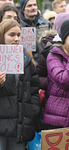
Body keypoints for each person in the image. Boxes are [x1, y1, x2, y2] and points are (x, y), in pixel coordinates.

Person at [0, 19, 40, 150]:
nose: (16, 38)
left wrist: (32, 111)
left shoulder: (26, 59)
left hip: (19, 126)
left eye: (19, 35)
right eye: (12, 35)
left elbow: (34, 89)